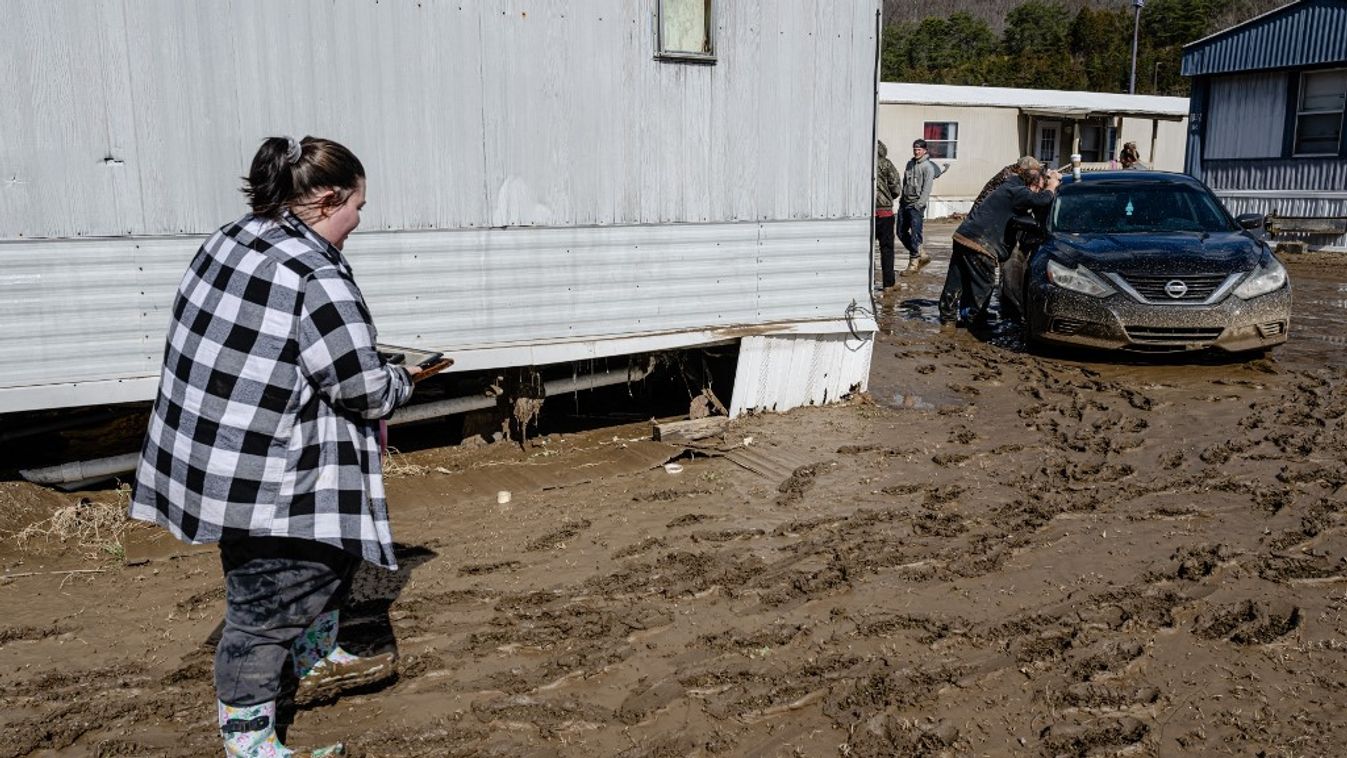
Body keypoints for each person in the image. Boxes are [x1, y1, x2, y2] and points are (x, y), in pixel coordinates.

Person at [130, 136, 424, 757]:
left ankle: (316, 658)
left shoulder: (235, 236)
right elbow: (361, 387)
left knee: (324, 562)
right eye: (357, 208)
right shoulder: (313, 271)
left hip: (218, 458)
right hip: (274, 475)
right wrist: (404, 379)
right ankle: (250, 742)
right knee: (269, 606)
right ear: (325, 199)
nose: (359, 222)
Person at [939, 159, 1060, 328]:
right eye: (1038, 188)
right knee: (984, 285)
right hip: (980, 245)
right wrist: (1052, 186)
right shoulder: (1018, 191)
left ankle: (947, 319)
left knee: (957, 279)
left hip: (963, 236)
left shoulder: (1008, 185)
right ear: (1032, 184)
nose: (1038, 191)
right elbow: (1042, 200)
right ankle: (974, 324)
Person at [897, 138, 938, 277]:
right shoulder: (910, 164)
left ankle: (913, 264)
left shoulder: (928, 167)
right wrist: (902, 201)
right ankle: (922, 254)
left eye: (919, 149)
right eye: (915, 149)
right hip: (905, 203)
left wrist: (919, 205)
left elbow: (927, 189)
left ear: (925, 150)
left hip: (916, 206)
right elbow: (905, 183)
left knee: (915, 235)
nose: (916, 151)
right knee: (900, 232)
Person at [874, 140, 902, 290]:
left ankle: (868, 282)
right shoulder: (886, 163)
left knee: (867, 249)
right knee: (887, 249)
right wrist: (888, 196)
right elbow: (896, 186)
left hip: (866, 213)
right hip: (884, 212)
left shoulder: (861, 162)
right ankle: (888, 284)